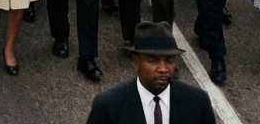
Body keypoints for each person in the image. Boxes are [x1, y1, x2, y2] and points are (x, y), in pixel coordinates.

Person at [85, 20, 216, 123]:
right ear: (135, 61)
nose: (163, 69)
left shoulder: (198, 102)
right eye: (153, 61)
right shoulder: (108, 106)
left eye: (169, 61)